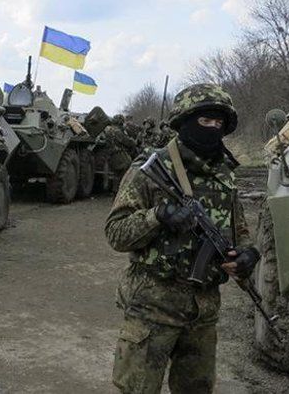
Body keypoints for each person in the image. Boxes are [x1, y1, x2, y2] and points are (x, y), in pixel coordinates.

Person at [105, 84, 260, 394]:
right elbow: (116, 233)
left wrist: (246, 255)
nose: (212, 128)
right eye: (205, 120)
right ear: (185, 122)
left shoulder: (224, 173)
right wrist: (158, 217)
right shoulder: (151, 169)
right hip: (152, 307)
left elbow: (238, 228)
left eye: (218, 122)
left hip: (203, 312)